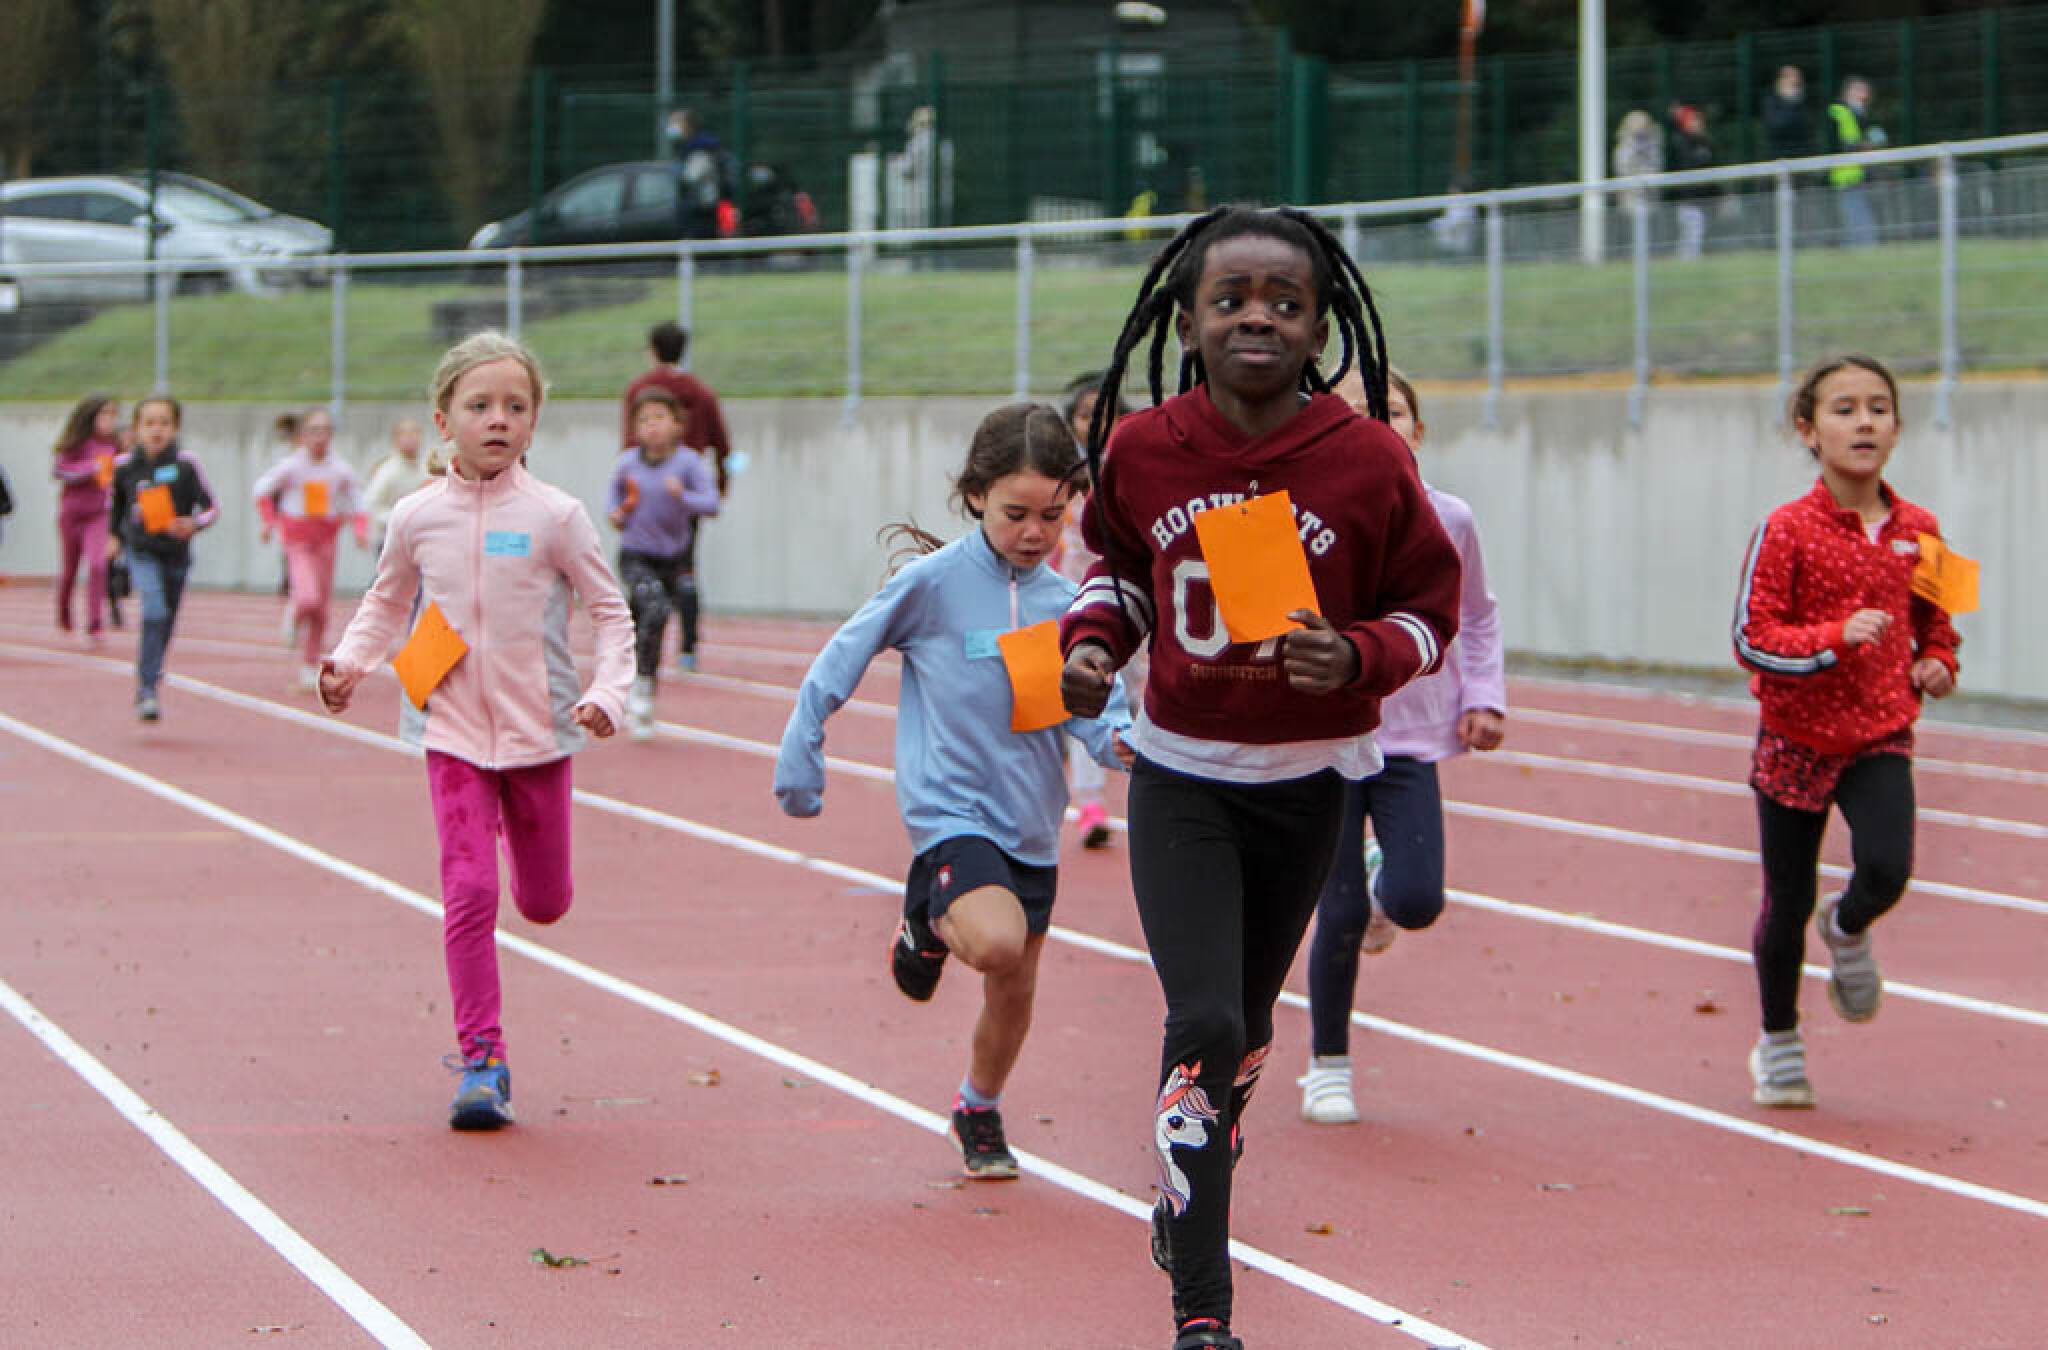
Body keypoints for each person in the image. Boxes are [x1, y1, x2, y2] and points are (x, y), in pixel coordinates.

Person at [1057, 205, 1463, 1350]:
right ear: (1186, 319)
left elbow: (1427, 609)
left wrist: (1360, 655)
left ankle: (1185, 1180)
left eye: (1284, 302)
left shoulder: (1366, 459)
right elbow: (1118, 572)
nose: (1255, 318)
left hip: (1308, 781)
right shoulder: (1143, 449)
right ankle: (1203, 1311)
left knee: (1236, 1040)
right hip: (1181, 777)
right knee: (1200, 1016)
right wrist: (1091, 648)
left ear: (1319, 326)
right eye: (1229, 298)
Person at [773, 402, 1134, 1181]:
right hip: (950, 811)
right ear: (975, 495)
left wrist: (1129, 746)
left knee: (1014, 988)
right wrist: (803, 746)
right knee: (996, 940)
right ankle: (928, 918)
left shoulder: (1070, 605)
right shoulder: (931, 585)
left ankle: (977, 1106)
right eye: (1015, 514)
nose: (1034, 532)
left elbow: (1096, 716)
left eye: (1052, 515)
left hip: (1030, 822)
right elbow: (843, 655)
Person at [318, 330, 633, 1131]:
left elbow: (610, 611)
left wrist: (608, 691)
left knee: (544, 902)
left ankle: (534, 893)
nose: (498, 419)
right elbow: (387, 602)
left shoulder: (556, 516)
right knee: (468, 890)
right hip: (450, 730)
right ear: (443, 420)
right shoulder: (416, 516)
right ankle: (483, 1062)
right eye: (480, 405)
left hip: (540, 736)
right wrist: (349, 663)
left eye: (515, 407)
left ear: (533, 423)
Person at [1732, 353, 1959, 1109]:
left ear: (1896, 428)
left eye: (1878, 408)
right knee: (1785, 901)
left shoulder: (1923, 530)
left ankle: (1850, 923)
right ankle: (1779, 1043)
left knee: (1889, 866)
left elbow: (1941, 624)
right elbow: (1752, 638)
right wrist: (1833, 638)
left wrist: (1937, 662)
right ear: (1808, 430)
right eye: (1844, 409)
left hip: (1880, 734)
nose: (1864, 422)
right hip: (1794, 740)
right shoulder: (1785, 529)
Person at [1298, 367, 1506, 1127]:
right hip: (1327, 739)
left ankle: (1385, 884)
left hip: (1408, 742)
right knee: (1339, 909)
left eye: (1390, 411)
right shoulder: (1309, 519)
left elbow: (1476, 616)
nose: (1375, 424)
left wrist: (1483, 696)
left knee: (1416, 901)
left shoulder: (1451, 518)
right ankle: (1328, 1065)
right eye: (1355, 412)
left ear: (1419, 430)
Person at [607, 386, 720, 740]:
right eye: (643, 420)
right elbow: (613, 501)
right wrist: (616, 514)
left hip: (672, 557)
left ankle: (641, 682)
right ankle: (641, 686)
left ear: (677, 424)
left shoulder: (688, 463)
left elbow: (712, 503)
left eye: (659, 418)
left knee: (646, 621)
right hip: (635, 554)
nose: (651, 426)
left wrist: (682, 496)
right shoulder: (628, 463)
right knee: (654, 609)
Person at [1055, 371, 1137, 850]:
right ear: (1072, 423)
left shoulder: (1138, 467)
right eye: (1087, 415)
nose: (1097, 423)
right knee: (1091, 699)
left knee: (1143, 699)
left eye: (1107, 414)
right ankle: (1089, 804)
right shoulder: (1061, 475)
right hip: (1079, 604)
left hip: (1133, 602)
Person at [622, 320, 733, 672]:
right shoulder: (701, 392)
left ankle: (636, 644)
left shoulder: (640, 390)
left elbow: (628, 445)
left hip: (646, 494)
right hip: (687, 495)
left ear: (653, 350)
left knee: (641, 570)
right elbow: (723, 446)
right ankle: (688, 647)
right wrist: (719, 486)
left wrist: (626, 496)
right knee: (685, 571)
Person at [107, 396, 218, 722]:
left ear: (175, 427)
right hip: (141, 551)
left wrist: (193, 524)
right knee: (153, 610)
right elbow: (115, 506)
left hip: (176, 556)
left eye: (164, 423)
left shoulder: (186, 464)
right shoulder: (124, 466)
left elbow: (211, 508)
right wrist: (114, 537)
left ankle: (151, 675)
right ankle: (147, 687)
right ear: (137, 428)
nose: (157, 430)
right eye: (149, 423)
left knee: (166, 619)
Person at [253, 407, 368, 692]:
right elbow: (262, 490)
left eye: (325, 431)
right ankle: (295, 612)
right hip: (298, 539)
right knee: (308, 598)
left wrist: (359, 530)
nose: (320, 437)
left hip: (326, 539)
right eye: (314, 431)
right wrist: (269, 522)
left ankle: (309, 665)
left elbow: (357, 499)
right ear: (303, 435)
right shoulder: (291, 466)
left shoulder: (339, 469)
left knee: (322, 608)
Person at [49, 394, 120, 645]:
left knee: (98, 564)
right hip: (72, 515)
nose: (110, 420)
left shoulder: (114, 445)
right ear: (91, 416)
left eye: (113, 415)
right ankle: (64, 611)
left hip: (98, 515)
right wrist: (90, 469)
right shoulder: (76, 442)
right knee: (70, 569)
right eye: (105, 414)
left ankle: (95, 622)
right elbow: (59, 471)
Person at [362, 418, 430, 557]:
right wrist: (399, 519)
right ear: (395, 440)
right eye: (405, 434)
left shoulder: (427, 469)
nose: (411, 438)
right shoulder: (387, 471)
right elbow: (371, 505)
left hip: (421, 540)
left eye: (415, 433)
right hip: (389, 541)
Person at [664, 108, 734, 240]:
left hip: (702, 212)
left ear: (688, 125)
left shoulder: (700, 150)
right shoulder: (690, 148)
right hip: (702, 211)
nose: (672, 126)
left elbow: (690, 178)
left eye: (676, 122)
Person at [1827, 78, 1881, 248]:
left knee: (1857, 212)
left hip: (1859, 173)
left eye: (1865, 91)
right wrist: (1865, 145)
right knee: (1854, 213)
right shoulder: (1842, 112)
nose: (1864, 95)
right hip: (1847, 174)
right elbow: (1849, 142)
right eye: (1859, 91)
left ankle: (1861, 244)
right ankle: (1862, 244)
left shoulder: (1862, 115)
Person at [1666, 104, 1715, 261]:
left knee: (1695, 232)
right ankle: (1687, 259)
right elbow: (1686, 162)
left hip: (1703, 198)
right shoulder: (1680, 141)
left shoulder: (1705, 141)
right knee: (1692, 231)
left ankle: (1687, 259)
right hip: (1687, 198)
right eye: (1693, 120)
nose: (1698, 124)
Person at [1612, 109, 1664, 216]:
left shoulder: (1654, 145)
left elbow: (1656, 167)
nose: (1639, 127)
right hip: (1629, 200)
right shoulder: (1622, 148)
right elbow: (1623, 168)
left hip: (1650, 199)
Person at [1761, 65, 1814, 161]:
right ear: (1781, 81)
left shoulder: (1801, 101)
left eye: (1798, 77)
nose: (1796, 80)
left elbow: (1807, 128)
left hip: (1802, 156)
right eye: (1792, 77)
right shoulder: (1771, 101)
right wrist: (1790, 103)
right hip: (1779, 157)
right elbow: (1775, 126)